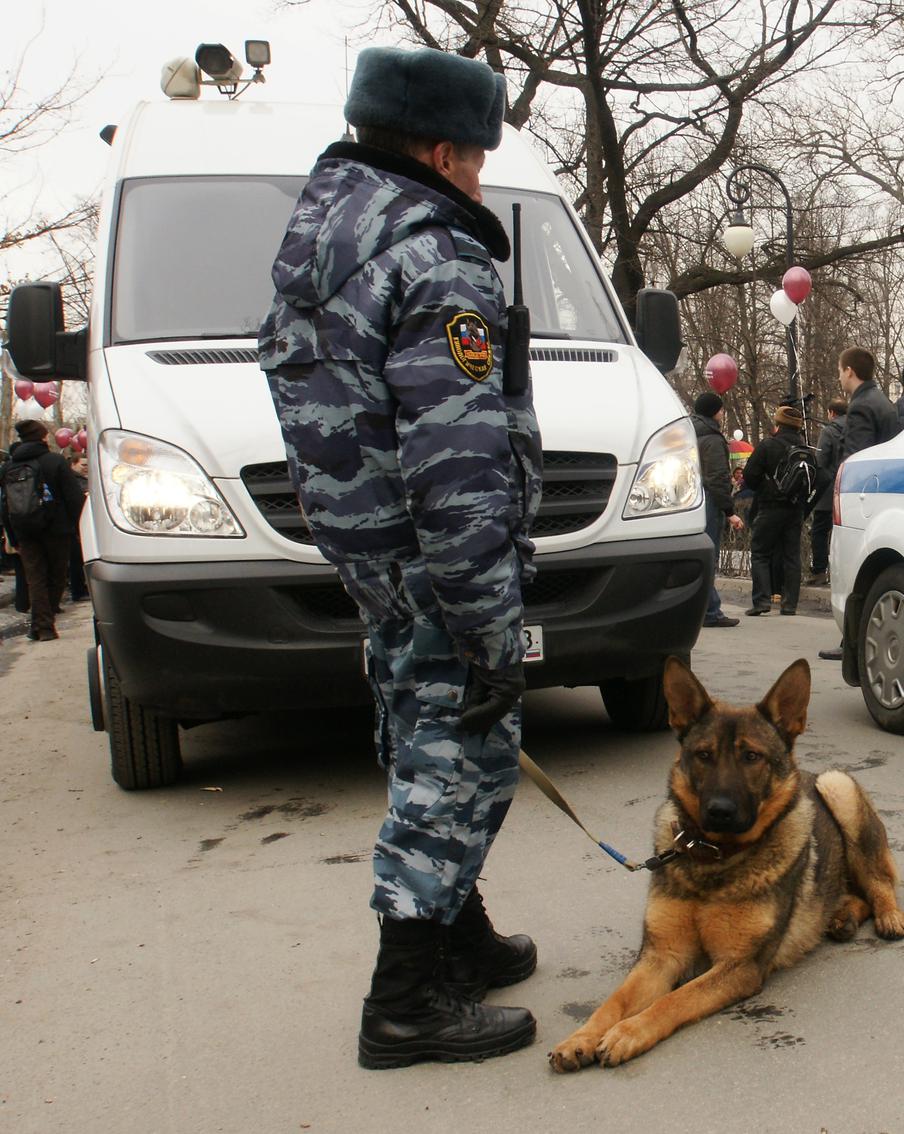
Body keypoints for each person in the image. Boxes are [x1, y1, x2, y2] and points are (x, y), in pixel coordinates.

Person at [259, 46, 543, 1069]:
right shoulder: (436, 258)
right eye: (474, 156)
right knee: (458, 761)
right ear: (438, 149)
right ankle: (408, 998)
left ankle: (454, 932)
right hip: (439, 565)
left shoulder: (325, 244)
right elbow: (456, 458)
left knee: (418, 733)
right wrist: (486, 617)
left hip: (373, 556)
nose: (479, 176)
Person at [819, 347, 900, 660]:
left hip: (866, 493)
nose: (839, 376)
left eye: (840, 370)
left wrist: (842, 478)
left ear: (850, 371)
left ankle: (850, 641)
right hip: (887, 488)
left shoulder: (861, 406)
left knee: (855, 569)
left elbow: (855, 456)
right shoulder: (882, 402)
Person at [0, 420, 86, 641]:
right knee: (56, 576)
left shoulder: (9, 466)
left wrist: (12, 535)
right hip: (57, 530)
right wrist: (80, 526)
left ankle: (40, 625)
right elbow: (74, 498)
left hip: (25, 531)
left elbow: (5, 504)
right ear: (43, 437)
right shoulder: (55, 461)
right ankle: (45, 625)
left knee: (35, 578)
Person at [741, 404, 807, 617]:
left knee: (760, 552)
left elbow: (750, 476)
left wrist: (765, 487)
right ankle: (790, 605)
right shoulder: (805, 449)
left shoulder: (768, 446)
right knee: (791, 556)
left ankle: (761, 601)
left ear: (778, 424)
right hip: (795, 509)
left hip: (770, 507)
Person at [691, 391, 744, 627]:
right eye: (721, 409)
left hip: (692, 499)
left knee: (698, 556)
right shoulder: (712, 439)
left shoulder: (690, 432)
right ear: (714, 411)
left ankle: (702, 608)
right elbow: (717, 477)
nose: (723, 413)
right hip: (710, 500)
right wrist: (729, 511)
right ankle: (710, 611)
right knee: (709, 556)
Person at [805, 397, 846, 586]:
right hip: (850, 488)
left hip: (828, 490)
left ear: (831, 413)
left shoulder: (829, 432)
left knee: (819, 531)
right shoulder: (856, 430)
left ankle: (819, 571)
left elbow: (820, 461)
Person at [67, 453, 90, 602]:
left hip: (83, 522)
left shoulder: (84, 479)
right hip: (75, 523)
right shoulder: (72, 480)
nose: (86, 468)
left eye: (88, 465)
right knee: (76, 558)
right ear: (73, 464)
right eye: (83, 465)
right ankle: (78, 590)